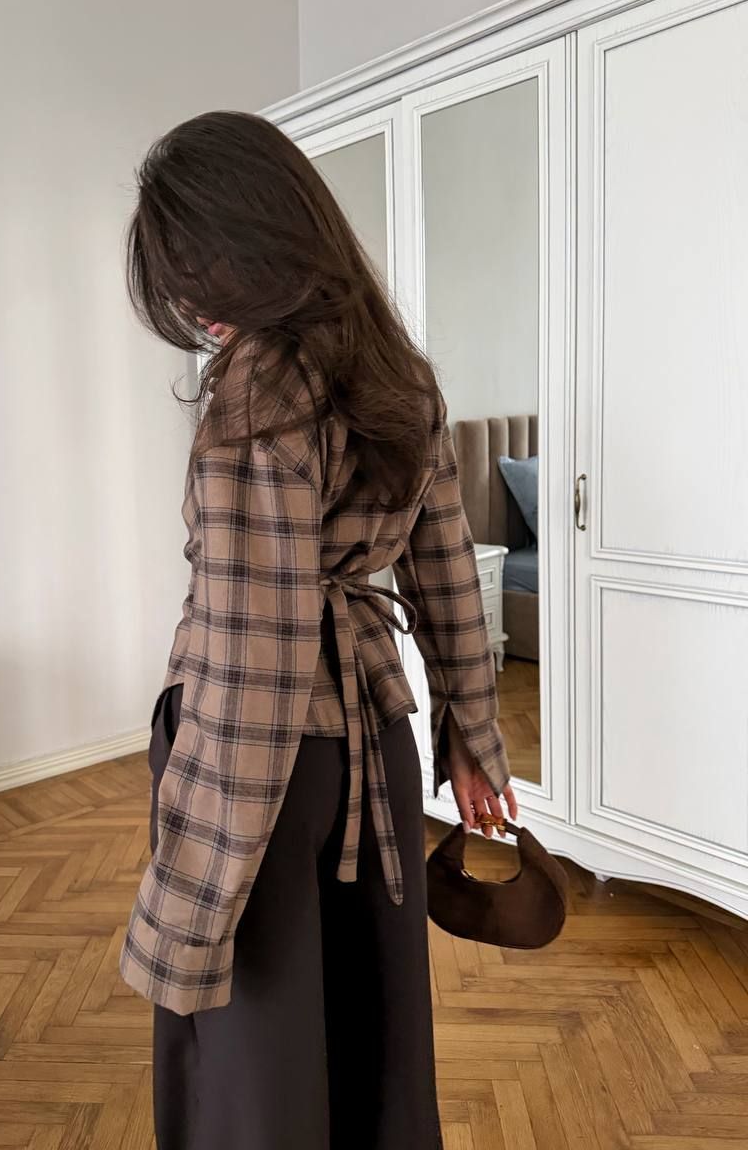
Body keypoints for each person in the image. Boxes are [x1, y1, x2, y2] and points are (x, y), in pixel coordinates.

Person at [119, 110, 518, 1150]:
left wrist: (190, 907)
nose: (192, 305)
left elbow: (251, 674)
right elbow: (448, 574)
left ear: (253, 245)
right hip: (375, 744)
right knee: (372, 1036)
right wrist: (471, 737)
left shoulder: (258, 395)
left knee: (254, 1065)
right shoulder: (397, 371)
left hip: (264, 778)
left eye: (195, 270)